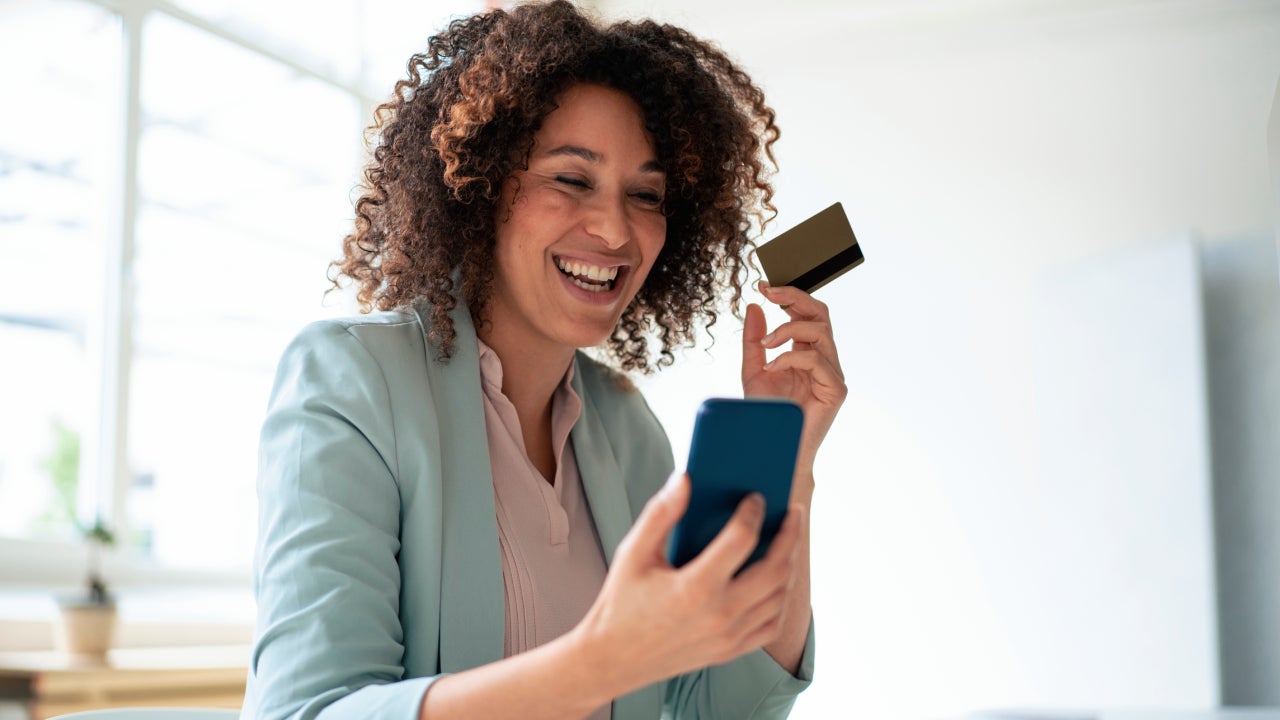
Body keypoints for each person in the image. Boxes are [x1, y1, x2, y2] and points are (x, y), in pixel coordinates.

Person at [241, 2, 846, 719]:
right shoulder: (352, 384)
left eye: (644, 195)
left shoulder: (626, 430)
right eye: (571, 178)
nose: (615, 228)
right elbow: (306, 712)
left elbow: (723, 709)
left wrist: (792, 465)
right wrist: (601, 662)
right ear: (481, 185)